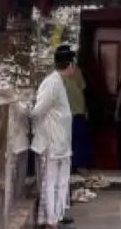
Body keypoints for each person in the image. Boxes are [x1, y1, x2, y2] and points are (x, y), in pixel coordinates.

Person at [32, 46, 78, 228]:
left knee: (61, 181)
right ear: (70, 64)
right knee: (49, 182)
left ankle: (58, 214)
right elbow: (38, 112)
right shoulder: (51, 83)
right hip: (51, 142)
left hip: (61, 143)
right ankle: (50, 220)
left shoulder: (59, 82)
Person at [58, 44, 92, 174]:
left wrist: (85, 109)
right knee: (67, 140)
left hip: (78, 110)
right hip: (65, 112)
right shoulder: (56, 75)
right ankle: (69, 166)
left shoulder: (76, 70)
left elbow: (82, 89)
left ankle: (80, 165)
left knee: (79, 140)